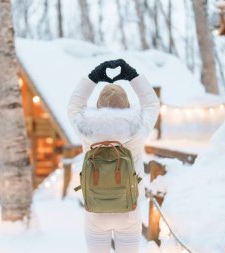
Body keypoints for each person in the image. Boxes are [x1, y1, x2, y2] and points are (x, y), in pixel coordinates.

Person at [67, 59, 160, 253]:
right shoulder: (138, 128)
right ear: (127, 106)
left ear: (99, 106)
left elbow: (74, 106)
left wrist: (93, 77)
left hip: (95, 209)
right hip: (129, 209)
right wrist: (132, 75)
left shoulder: (86, 129)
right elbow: (151, 104)